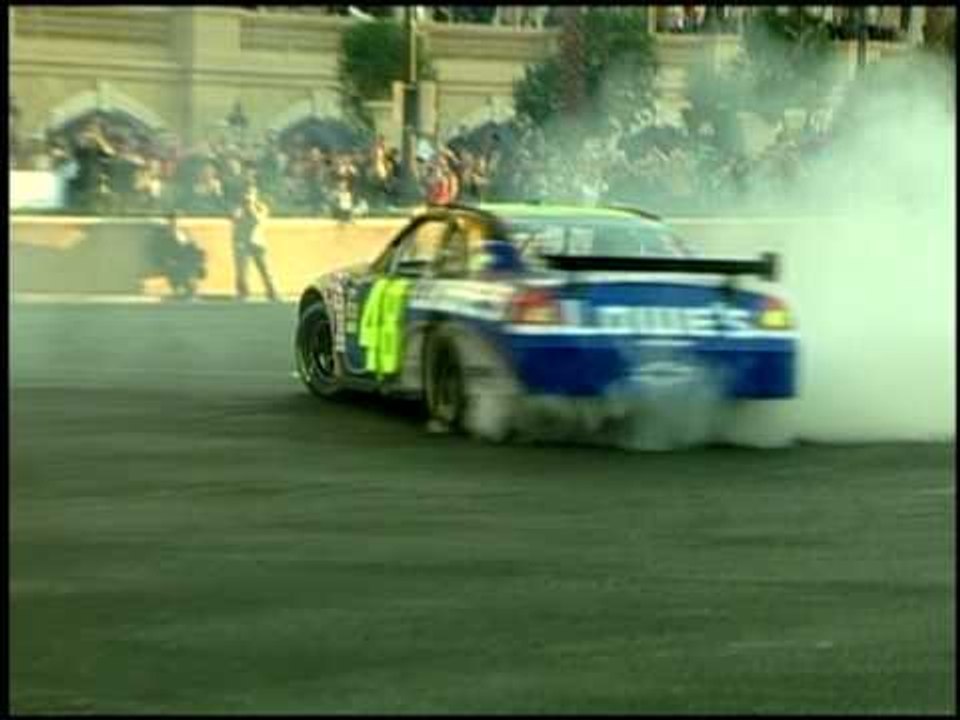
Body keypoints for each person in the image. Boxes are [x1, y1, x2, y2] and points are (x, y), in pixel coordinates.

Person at [231, 185, 278, 301]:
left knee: (265, 269)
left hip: (257, 242)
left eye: (251, 193)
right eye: (246, 193)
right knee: (242, 270)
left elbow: (257, 220)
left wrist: (251, 206)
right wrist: (243, 209)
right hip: (242, 242)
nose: (248, 196)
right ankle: (243, 293)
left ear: (256, 195)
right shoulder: (238, 208)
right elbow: (235, 219)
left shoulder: (262, 208)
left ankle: (272, 292)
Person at [148, 212, 207, 299]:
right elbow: (159, 251)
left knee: (185, 261)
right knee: (177, 264)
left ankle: (188, 289)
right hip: (174, 256)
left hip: (179, 256)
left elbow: (192, 246)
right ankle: (182, 288)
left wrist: (197, 254)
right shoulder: (163, 235)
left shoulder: (182, 233)